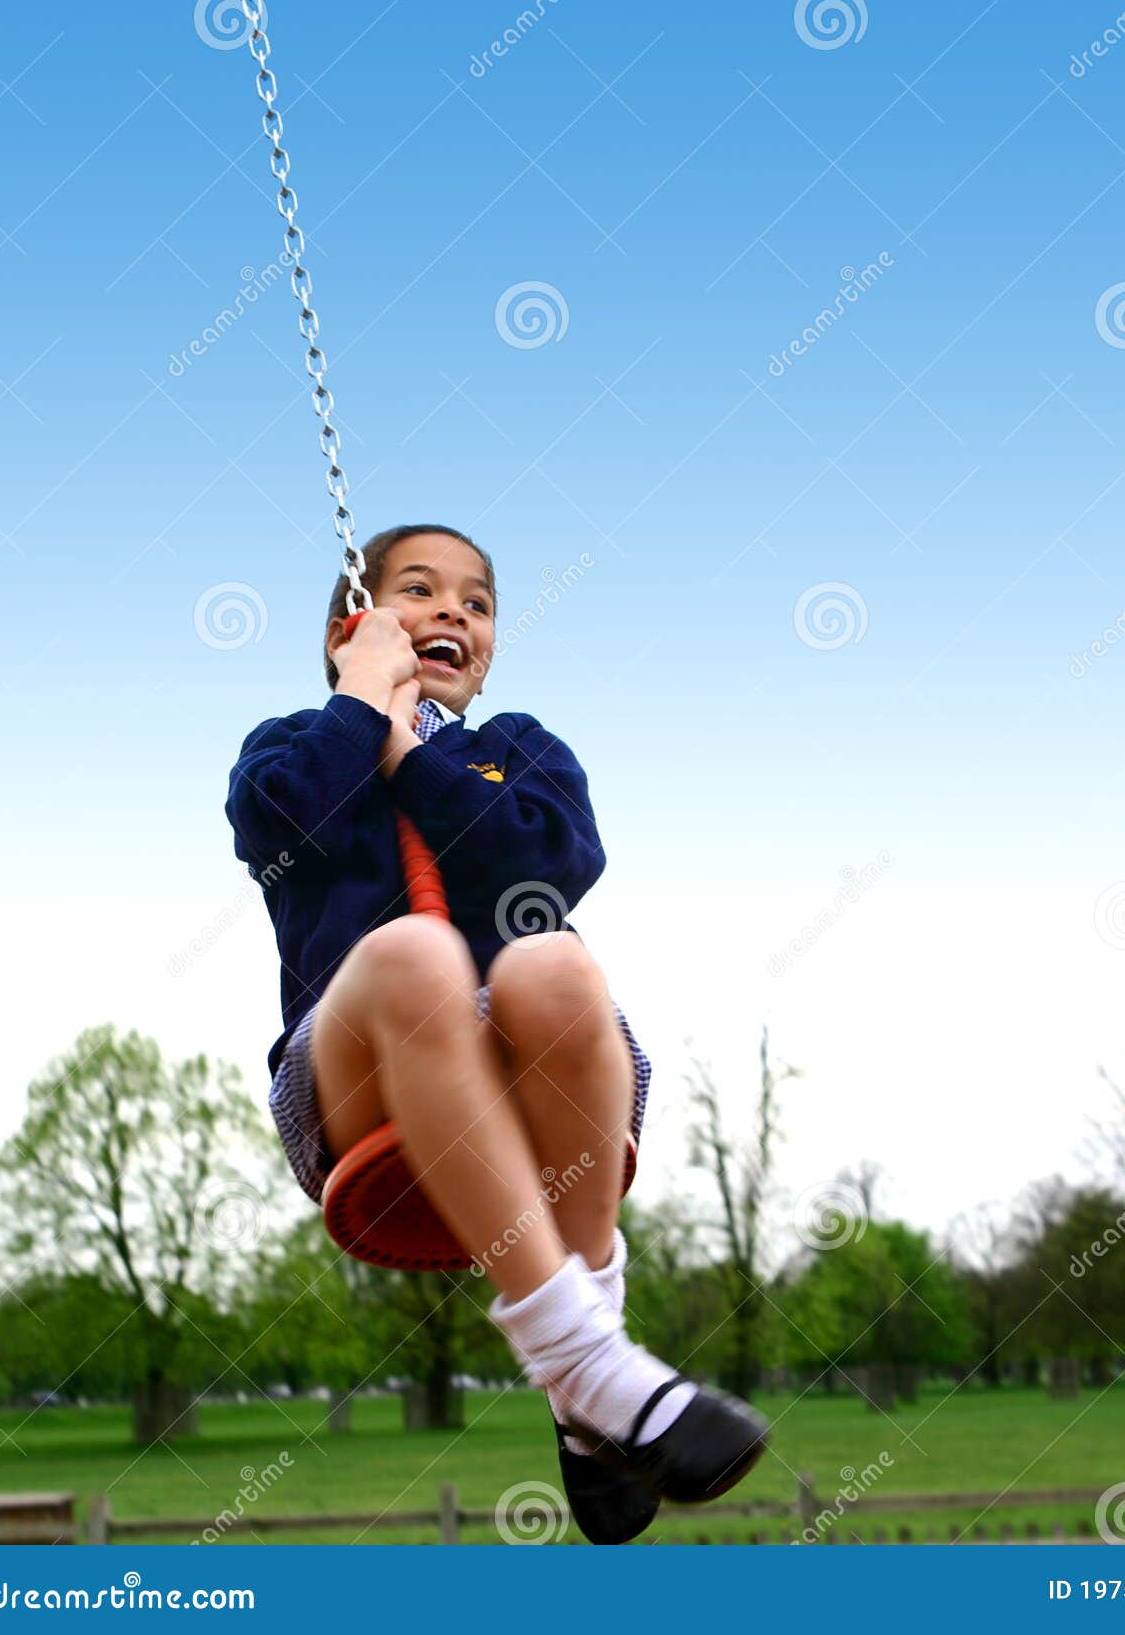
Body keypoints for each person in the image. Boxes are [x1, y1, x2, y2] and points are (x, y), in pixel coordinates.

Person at [225, 523, 768, 1542]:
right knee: (413, 959)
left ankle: (584, 1371)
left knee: (557, 960)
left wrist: (412, 756)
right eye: (419, 592)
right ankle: (589, 1359)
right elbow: (288, 825)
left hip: (535, 1080)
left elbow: (546, 866)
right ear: (357, 625)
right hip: (357, 1079)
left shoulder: (519, 751)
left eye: (476, 603)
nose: (454, 614)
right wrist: (360, 706)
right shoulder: (292, 745)